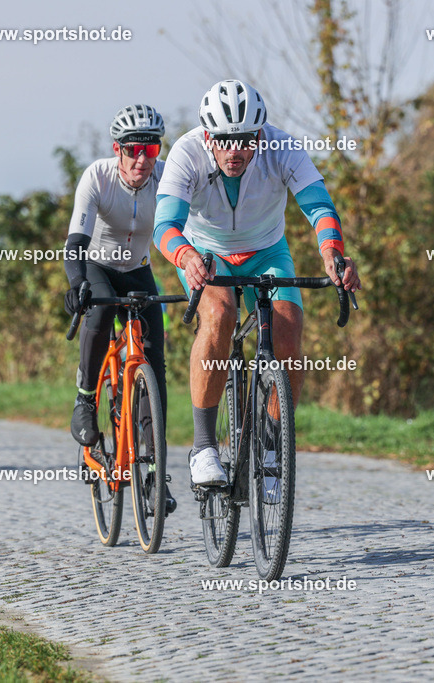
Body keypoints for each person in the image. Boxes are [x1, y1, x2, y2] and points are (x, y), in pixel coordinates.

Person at [153, 79, 362, 486]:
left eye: (247, 140)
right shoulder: (186, 152)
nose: (235, 151)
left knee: (288, 331)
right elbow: (165, 226)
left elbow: (319, 206)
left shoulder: (282, 148)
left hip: (267, 250)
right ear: (208, 136)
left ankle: (269, 448)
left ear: (260, 135)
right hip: (205, 253)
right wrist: (186, 257)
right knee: (219, 314)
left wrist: (331, 251)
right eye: (225, 141)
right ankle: (203, 447)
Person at [63, 104, 176, 514]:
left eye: (151, 149)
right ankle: (85, 401)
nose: (142, 159)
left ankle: (155, 473)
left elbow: (192, 230)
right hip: (98, 266)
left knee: (154, 364)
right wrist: (77, 283)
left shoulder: (167, 179)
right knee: (99, 312)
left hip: (138, 270)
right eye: (133, 150)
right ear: (117, 149)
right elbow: (76, 242)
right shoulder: (97, 176)